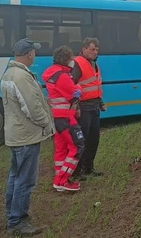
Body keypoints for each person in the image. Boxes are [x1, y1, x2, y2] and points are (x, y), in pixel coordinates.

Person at [1, 38, 55, 236]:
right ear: (29, 54)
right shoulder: (21, 77)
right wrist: (47, 125)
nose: (35, 54)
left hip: (16, 135)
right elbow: (32, 108)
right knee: (25, 180)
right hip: (26, 137)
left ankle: (11, 214)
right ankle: (17, 221)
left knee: (15, 176)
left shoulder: (10, 73)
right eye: (34, 51)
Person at [42, 46, 86, 193]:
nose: (73, 61)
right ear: (66, 60)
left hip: (58, 117)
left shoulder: (53, 74)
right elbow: (74, 96)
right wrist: (79, 88)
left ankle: (60, 177)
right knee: (77, 146)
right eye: (71, 58)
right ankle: (61, 180)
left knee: (61, 148)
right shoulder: (62, 76)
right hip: (66, 118)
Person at [71, 37, 107, 177]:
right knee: (82, 140)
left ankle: (88, 168)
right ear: (84, 49)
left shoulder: (94, 64)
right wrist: (76, 106)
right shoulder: (77, 64)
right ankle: (77, 171)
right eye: (92, 49)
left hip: (94, 107)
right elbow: (71, 86)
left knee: (93, 140)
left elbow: (95, 86)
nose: (95, 52)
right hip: (83, 108)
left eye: (97, 50)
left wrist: (101, 103)